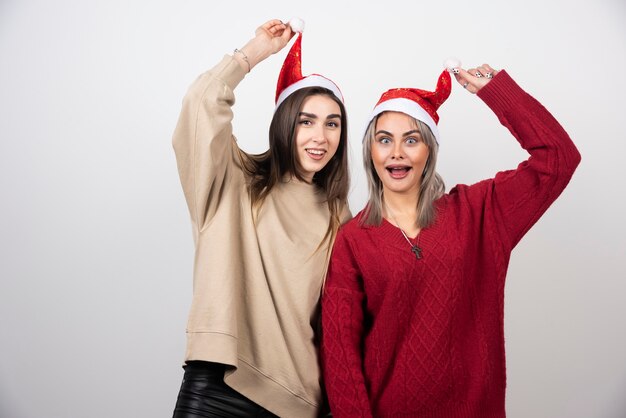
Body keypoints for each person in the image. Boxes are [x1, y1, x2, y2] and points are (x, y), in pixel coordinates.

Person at [321, 62, 581, 417]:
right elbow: (341, 357)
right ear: (371, 151)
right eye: (385, 140)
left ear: (429, 150)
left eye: (411, 139)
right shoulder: (353, 241)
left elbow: (559, 159)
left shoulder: (480, 212)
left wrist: (497, 92)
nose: (397, 151)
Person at [171, 19, 350, 418]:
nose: (320, 136)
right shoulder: (232, 180)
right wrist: (255, 51)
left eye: (332, 123)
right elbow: (201, 104)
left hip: (299, 404)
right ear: (285, 122)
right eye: (306, 120)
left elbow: (344, 323)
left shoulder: (340, 216)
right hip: (219, 382)